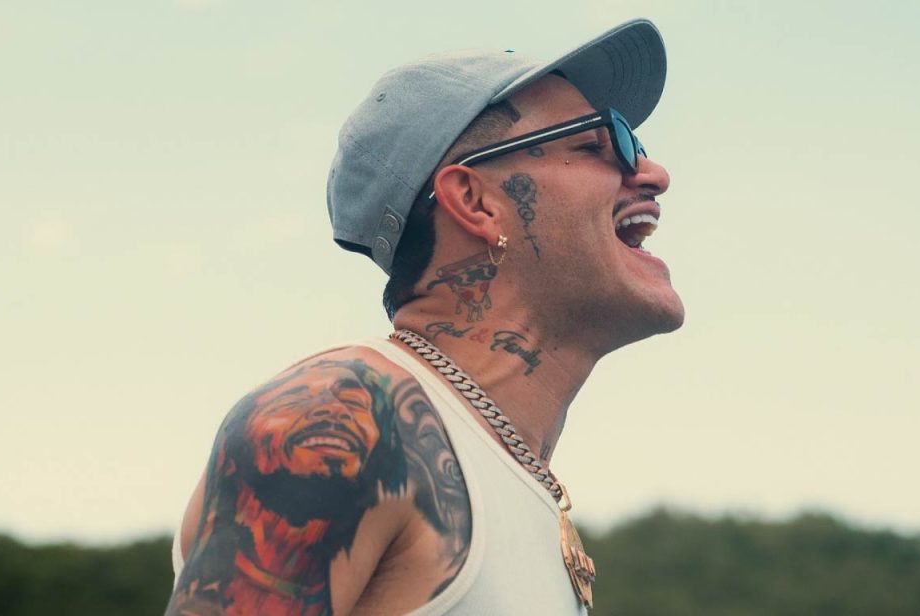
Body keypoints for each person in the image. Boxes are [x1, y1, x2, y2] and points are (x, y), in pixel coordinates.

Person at [165, 17, 683, 615]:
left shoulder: (510, 472)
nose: (653, 173)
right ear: (475, 201)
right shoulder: (339, 418)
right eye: (596, 144)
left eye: (635, 145)